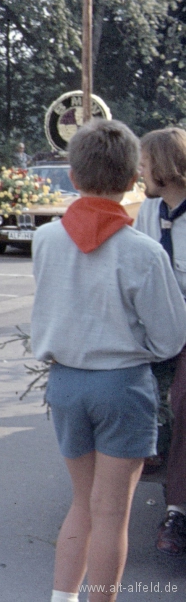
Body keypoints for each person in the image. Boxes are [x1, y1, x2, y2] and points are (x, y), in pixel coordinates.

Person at [30, 119, 186, 602]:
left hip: (66, 385)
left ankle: (63, 597)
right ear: (132, 179)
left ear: (73, 177)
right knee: (112, 511)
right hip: (122, 386)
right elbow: (169, 338)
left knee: (82, 502)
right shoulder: (140, 251)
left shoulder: (46, 239)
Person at [132, 127, 186, 557]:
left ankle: (178, 509)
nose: (139, 172)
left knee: (184, 397)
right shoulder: (147, 214)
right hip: (153, 327)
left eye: (146, 164)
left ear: (167, 169)